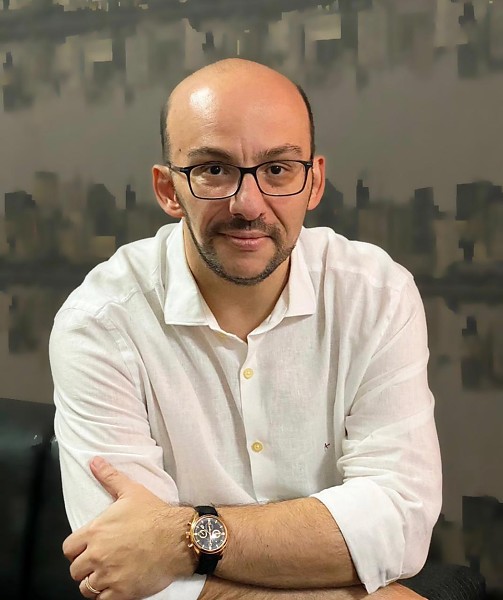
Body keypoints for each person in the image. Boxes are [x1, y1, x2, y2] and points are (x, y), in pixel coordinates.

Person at [49, 58, 442, 600]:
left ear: (314, 182)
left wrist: (182, 537)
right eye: (213, 170)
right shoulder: (99, 323)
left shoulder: (376, 295)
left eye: (278, 169)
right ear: (168, 189)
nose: (248, 204)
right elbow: (125, 569)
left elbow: (399, 522)